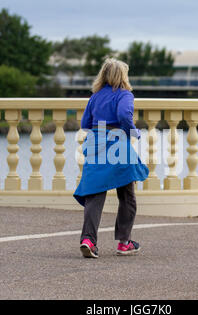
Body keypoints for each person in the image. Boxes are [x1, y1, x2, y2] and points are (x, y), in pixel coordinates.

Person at [73, 58, 149, 259]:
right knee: (126, 195)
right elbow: (124, 115)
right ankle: (124, 243)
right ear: (123, 76)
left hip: (96, 142)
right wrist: (133, 131)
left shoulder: (95, 96)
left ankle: (88, 240)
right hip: (117, 143)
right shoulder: (125, 95)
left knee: (94, 194)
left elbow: (85, 123)